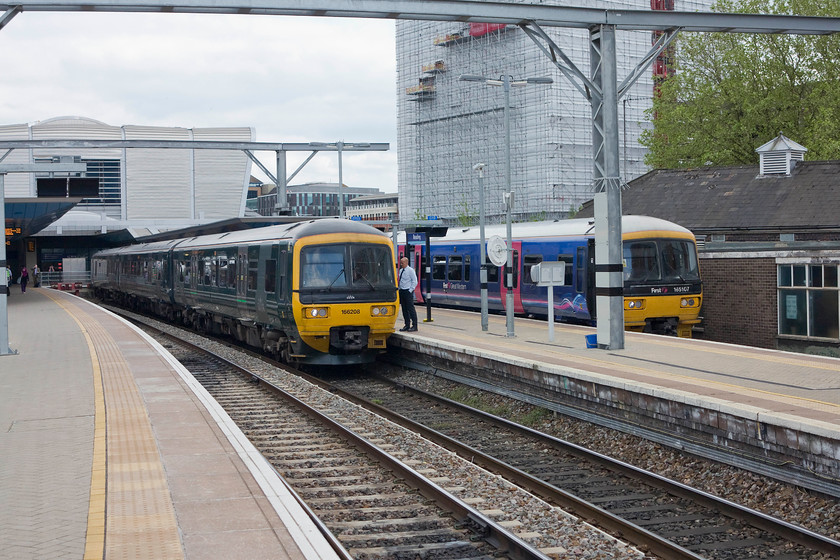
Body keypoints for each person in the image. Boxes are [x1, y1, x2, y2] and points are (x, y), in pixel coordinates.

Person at [398, 256, 418, 332]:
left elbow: (415, 281)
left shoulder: (410, 271)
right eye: (401, 263)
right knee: (404, 309)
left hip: (408, 291)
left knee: (411, 309)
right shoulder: (401, 271)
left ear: (406, 262)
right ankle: (407, 324)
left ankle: (415, 325)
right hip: (402, 291)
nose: (401, 264)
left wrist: (410, 290)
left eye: (402, 263)